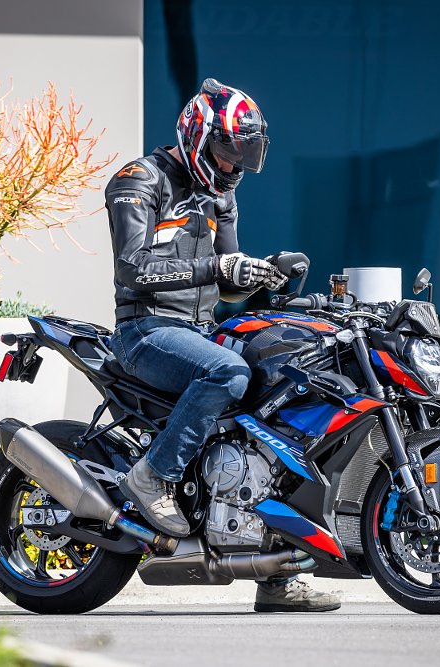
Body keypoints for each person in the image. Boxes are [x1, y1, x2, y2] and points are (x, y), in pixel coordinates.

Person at [104, 78, 341, 613]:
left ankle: (279, 574)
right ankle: (152, 475)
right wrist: (219, 266)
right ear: (198, 135)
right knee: (229, 374)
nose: (235, 164)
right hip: (146, 332)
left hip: (199, 332)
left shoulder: (222, 193)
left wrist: (267, 273)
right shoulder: (139, 181)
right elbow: (132, 267)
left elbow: (229, 284)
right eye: (228, 149)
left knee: (284, 386)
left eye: (244, 153)